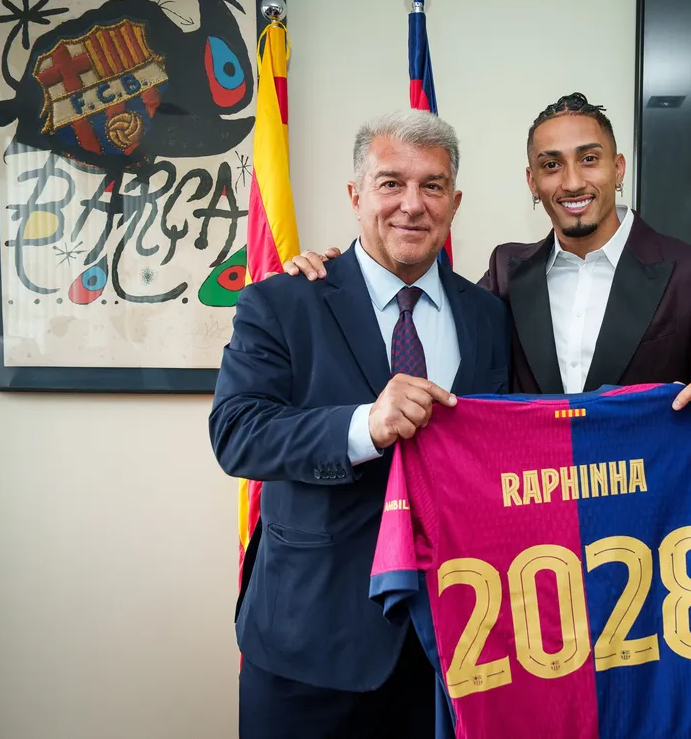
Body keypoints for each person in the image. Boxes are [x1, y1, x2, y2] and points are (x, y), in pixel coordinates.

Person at [209, 109, 510, 739]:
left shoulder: (488, 316)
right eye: (390, 183)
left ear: (454, 203)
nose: (411, 204)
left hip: (452, 649)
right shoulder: (282, 301)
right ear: (355, 196)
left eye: (432, 186)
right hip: (309, 644)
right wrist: (362, 427)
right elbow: (237, 433)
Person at [282, 92, 691, 482]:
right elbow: (427, 298)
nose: (572, 181)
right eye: (551, 166)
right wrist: (340, 268)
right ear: (532, 182)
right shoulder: (508, 270)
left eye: (589, 159)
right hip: (531, 546)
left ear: (618, 169)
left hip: (649, 527)